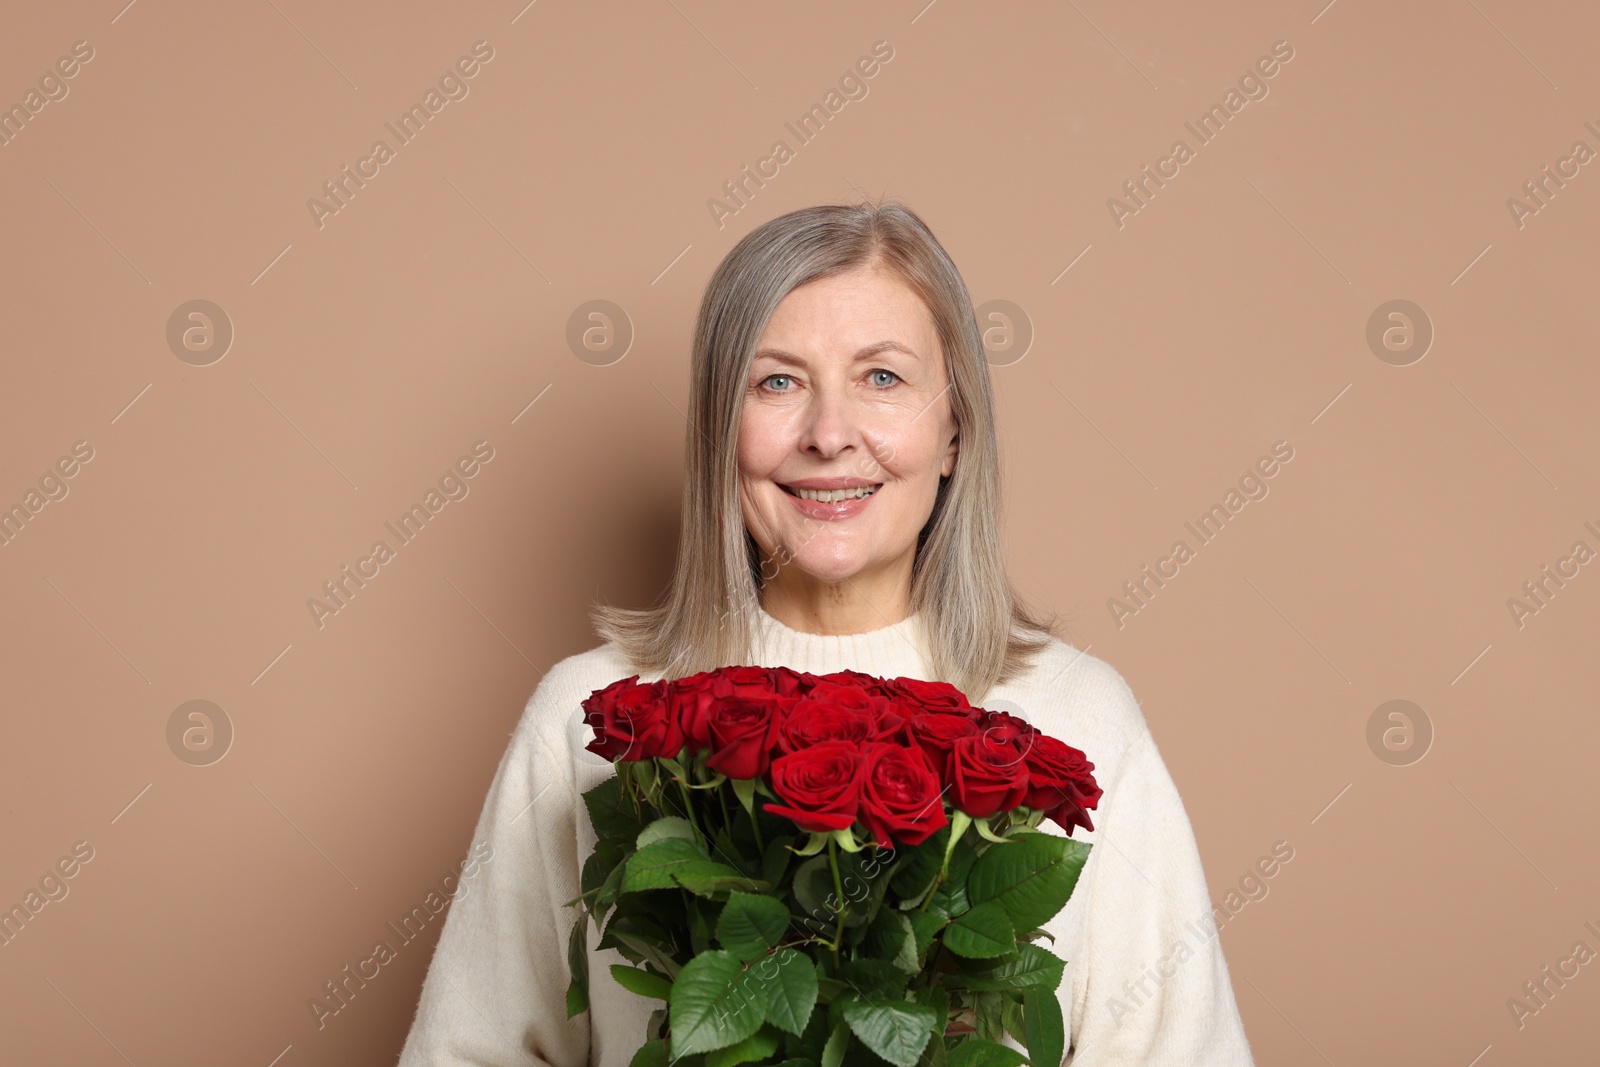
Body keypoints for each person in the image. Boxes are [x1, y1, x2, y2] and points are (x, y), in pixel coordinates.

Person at [396, 200, 1255, 1066]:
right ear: (717, 432)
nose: (830, 435)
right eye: (777, 382)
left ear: (955, 428)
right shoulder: (585, 723)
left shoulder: (1081, 714)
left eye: (882, 377)